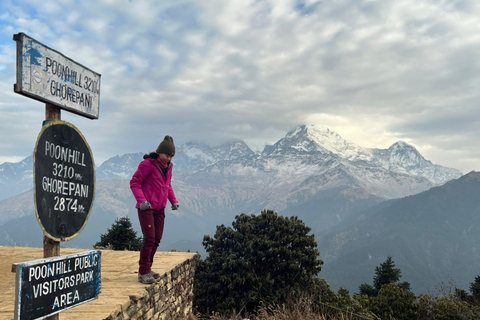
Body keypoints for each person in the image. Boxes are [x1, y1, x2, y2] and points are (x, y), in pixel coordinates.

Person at [130, 135, 180, 284]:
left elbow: (167, 186)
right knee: (149, 237)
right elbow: (134, 183)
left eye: (171, 156)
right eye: (167, 155)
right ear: (159, 152)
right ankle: (143, 271)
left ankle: (148, 269)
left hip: (160, 208)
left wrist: (174, 201)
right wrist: (142, 200)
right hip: (147, 208)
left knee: (157, 238)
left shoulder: (169, 168)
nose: (169, 158)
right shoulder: (148, 164)